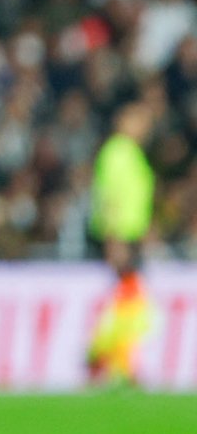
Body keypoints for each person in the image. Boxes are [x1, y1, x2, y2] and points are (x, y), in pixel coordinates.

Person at [85, 99, 158, 386]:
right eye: (139, 121)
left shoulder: (131, 153)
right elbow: (110, 197)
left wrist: (147, 228)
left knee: (126, 304)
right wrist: (113, 238)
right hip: (121, 237)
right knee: (130, 304)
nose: (145, 128)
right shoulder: (117, 152)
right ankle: (113, 363)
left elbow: (137, 197)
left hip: (131, 235)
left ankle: (104, 361)